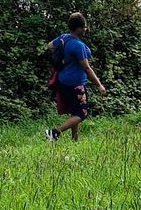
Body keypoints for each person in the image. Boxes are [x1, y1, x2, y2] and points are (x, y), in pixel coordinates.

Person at [45, 12, 106, 142]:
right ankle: (54, 132)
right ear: (78, 28)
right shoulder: (78, 46)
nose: (85, 29)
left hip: (63, 81)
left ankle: (75, 140)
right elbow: (87, 68)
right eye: (84, 27)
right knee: (81, 114)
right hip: (75, 84)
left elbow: (50, 45)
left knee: (75, 111)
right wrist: (99, 85)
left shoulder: (64, 38)